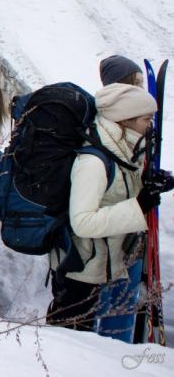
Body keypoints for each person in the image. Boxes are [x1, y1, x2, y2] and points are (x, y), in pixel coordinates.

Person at [47, 83, 174, 334]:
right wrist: (139, 206)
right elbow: (82, 221)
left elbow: (116, 193)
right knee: (71, 347)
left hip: (101, 265)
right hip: (80, 272)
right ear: (126, 120)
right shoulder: (93, 161)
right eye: (147, 119)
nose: (151, 126)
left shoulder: (121, 150)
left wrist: (151, 184)